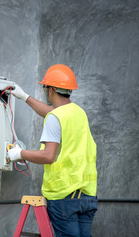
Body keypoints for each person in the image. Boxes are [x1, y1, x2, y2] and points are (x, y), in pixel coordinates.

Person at [7, 64, 98, 237]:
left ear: (50, 90)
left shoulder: (55, 118)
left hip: (64, 198)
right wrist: (25, 97)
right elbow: (53, 113)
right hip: (87, 196)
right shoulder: (78, 113)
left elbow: (48, 156)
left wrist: (19, 154)